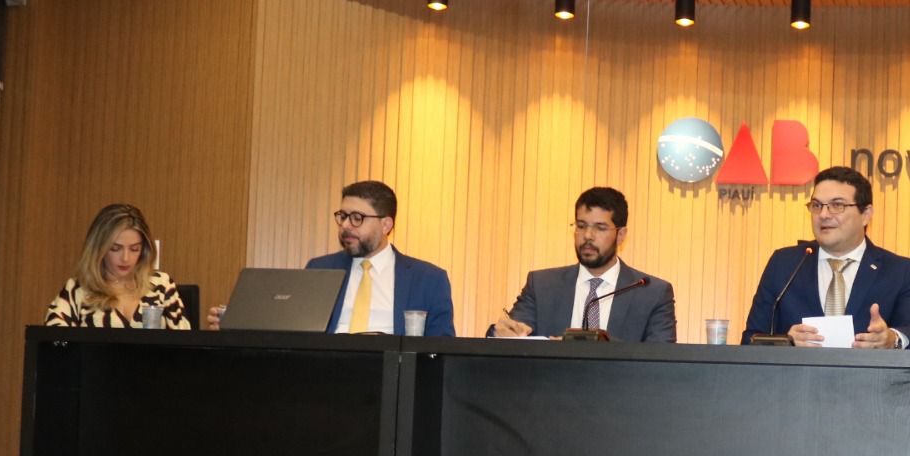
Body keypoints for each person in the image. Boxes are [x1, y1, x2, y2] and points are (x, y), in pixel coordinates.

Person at [208, 180, 454, 335]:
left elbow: (441, 350)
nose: (345, 226)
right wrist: (234, 326)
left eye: (357, 218)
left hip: (394, 380)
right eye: (342, 216)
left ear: (386, 224)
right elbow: (290, 332)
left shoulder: (428, 279)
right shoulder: (320, 269)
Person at [741, 166, 910, 348]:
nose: (823, 214)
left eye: (837, 205)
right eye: (817, 205)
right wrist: (786, 341)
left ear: (866, 214)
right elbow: (750, 339)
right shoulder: (785, 264)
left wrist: (891, 339)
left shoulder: (900, 271)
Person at [490, 186, 676, 342]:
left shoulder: (652, 294)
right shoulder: (541, 286)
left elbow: (660, 359)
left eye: (600, 228)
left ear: (621, 235)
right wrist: (501, 332)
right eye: (581, 226)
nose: (587, 236)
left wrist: (596, 346)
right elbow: (511, 334)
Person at [45, 203, 190, 329]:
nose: (125, 258)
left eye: (134, 249)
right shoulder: (78, 289)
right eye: (115, 249)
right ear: (99, 248)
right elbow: (52, 342)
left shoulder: (161, 285)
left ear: (144, 250)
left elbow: (185, 342)